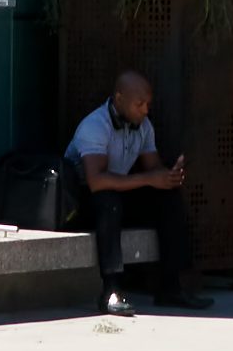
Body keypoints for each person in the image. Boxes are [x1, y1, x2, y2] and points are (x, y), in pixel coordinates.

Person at [64, 68, 193, 311]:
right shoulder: (95, 126)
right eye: (139, 104)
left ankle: (171, 287)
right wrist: (149, 179)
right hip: (82, 203)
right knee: (108, 201)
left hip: (118, 192)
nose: (145, 110)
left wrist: (167, 176)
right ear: (119, 98)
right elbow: (96, 181)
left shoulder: (143, 126)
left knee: (169, 199)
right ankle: (110, 290)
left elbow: (153, 168)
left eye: (148, 104)